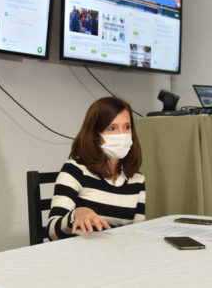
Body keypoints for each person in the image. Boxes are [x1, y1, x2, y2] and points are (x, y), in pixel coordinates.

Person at [46, 97, 146, 241]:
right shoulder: (74, 170)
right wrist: (76, 214)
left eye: (127, 127)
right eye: (112, 128)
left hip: (121, 255)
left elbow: (138, 231)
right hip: (82, 256)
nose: (122, 135)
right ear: (95, 135)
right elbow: (52, 231)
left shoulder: (137, 179)